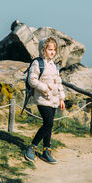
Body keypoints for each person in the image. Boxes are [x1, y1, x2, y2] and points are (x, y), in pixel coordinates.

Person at [25, 36, 65, 164]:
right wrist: (44, 89)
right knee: (48, 123)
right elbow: (32, 80)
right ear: (43, 49)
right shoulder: (37, 63)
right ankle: (32, 147)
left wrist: (61, 98)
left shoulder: (54, 65)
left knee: (49, 125)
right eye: (49, 49)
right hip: (42, 98)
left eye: (54, 50)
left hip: (54, 100)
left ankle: (46, 151)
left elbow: (59, 82)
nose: (52, 52)